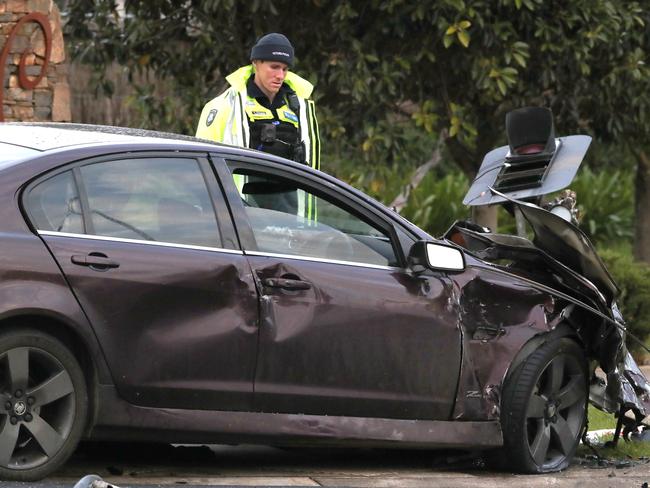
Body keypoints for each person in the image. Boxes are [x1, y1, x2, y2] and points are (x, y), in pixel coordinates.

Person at [196, 33, 320, 218]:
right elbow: (201, 165)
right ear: (256, 63)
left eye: (285, 69)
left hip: (290, 219)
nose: (280, 75)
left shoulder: (300, 108)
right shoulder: (224, 106)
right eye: (274, 67)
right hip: (240, 219)